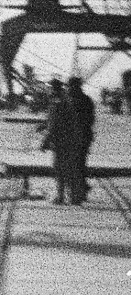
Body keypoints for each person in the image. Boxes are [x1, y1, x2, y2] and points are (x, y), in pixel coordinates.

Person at [40, 78, 82, 205]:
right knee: (69, 168)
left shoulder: (56, 102)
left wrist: (45, 141)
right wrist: (44, 125)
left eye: (49, 88)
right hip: (70, 139)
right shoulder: (65, 100)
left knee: (60, 169)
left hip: (61, 141)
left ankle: (61, 196)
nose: (48, 90)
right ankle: (74, 197)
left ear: (53, 89)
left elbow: (54, 124)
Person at [68, 76, 96, 204]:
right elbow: (91, 119)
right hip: (83, 136)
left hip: (76, 137)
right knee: (79, 164)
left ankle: (78, 193)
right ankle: (82, 189)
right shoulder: (87, 100)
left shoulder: (71, 100)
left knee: (75, 165)